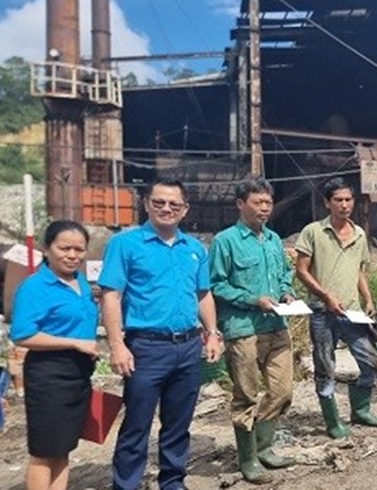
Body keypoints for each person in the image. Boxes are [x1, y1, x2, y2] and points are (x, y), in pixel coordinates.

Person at [99, 178, 223, 490]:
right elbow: (111, 295)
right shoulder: (126, 245)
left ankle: (173, 482)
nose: (166, 208)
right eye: (159, 203)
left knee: (178, 424)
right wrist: (116, 345)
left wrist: (212, 333)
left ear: (185, 209)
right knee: (137, 424)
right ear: (146, 204)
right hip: (146, 348)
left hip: (188, 347)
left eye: (174, 204)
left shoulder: (194, 249)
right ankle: (126, 484)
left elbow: (203, 295)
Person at [209, 179, 294, 483]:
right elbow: (216, 284)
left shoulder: (273, 239)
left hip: (276, 325)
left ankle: (266, 447)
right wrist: (252, 300)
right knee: (246, 395)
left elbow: (286, 273)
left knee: (283, 390)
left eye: (268, 203)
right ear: (240, 204)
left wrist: (286, 293)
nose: (264, 208)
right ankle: (248, 458)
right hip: (243, 328)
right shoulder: (225, 241)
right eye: (257, 203)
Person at [295, 177, 377, 439]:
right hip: (323, 313)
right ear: (327, 203)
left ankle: (361, 409)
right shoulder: (313, 231)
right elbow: (301, 271)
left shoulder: (359, 234)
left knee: (371, 361)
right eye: (338, 200)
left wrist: (368, 299)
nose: (344, 205)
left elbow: (359, 271)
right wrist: (326, 296)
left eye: (348, 200)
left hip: (352, 312)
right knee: (325, 366)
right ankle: (333, 421)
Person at [10, 220, 98, 490]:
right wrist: (73, 343)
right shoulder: (36, 286)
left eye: (79, 249)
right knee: (44, 450)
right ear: (47, 249)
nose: (72, 255)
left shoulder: (80, 282)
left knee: (63, 445)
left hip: (78, 374)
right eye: (64, 248)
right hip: (49, 376)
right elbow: (23, 334)